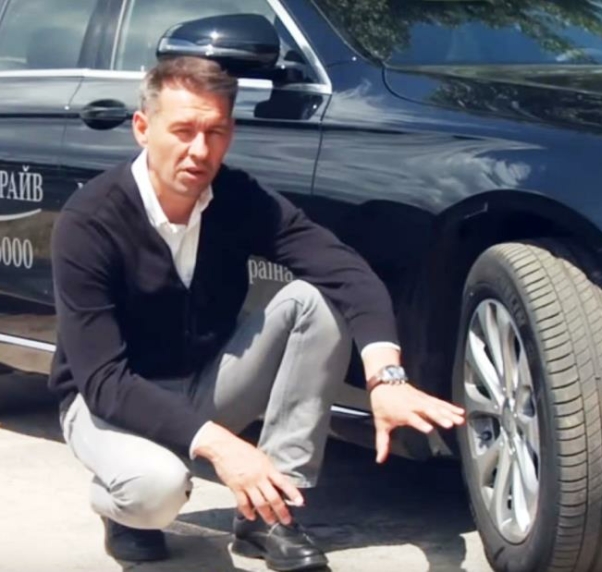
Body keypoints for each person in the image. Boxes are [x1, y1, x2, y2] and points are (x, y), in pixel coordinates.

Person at [49, 55, 465, 572]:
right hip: (107, 403)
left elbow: (344, 270)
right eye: (182, 131)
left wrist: (386, 377)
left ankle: (271, 513)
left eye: (215, 132)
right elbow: (103, 380)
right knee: (156, 491)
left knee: (316, 301)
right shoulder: (90, 221)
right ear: (142, 128)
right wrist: (226, 448)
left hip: (203, 382)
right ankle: (121, 505)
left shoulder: (237, 197)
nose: (200, 151)